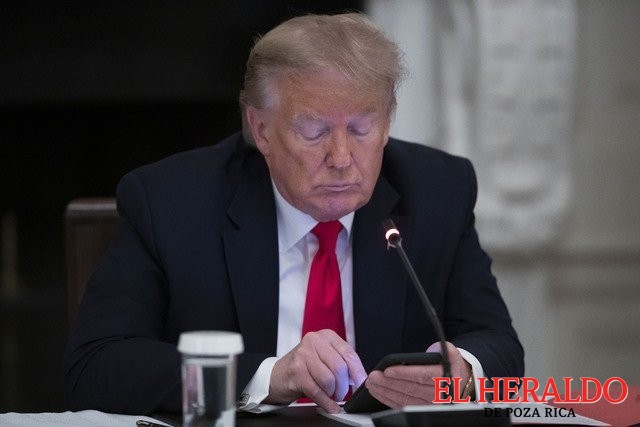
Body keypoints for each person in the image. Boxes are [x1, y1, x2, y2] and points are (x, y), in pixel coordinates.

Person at [63, 12, 524, 415]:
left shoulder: (438, 192)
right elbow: (95, 366)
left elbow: (499, 346)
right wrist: (267, 376)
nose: (341, 157)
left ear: (387, 123)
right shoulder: (171, 203)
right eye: (314, 131)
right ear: (261, 129)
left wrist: (463, 371)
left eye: (361, 128)